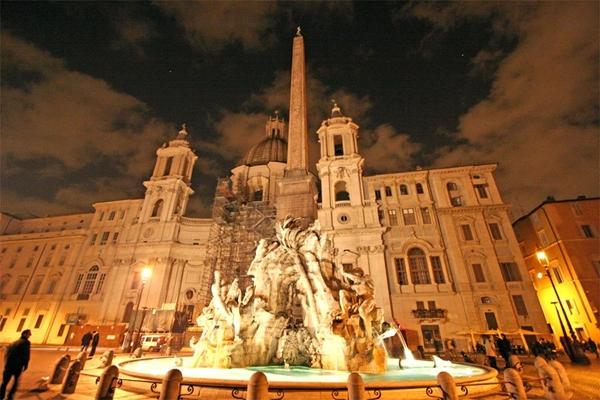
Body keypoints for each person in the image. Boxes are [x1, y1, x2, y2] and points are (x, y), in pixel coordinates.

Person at [0, 329, 32, 400]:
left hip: (8, 365)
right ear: (24, 334)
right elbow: (26, 355)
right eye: (29, 334)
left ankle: (1, 396)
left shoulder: (14, 342)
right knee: (16, 382)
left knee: (5, 382)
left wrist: (7, 363)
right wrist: (26, 364)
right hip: (17, 366)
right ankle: (10, 396)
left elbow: (7, 352)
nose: (30, 335)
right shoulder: (26, 343)